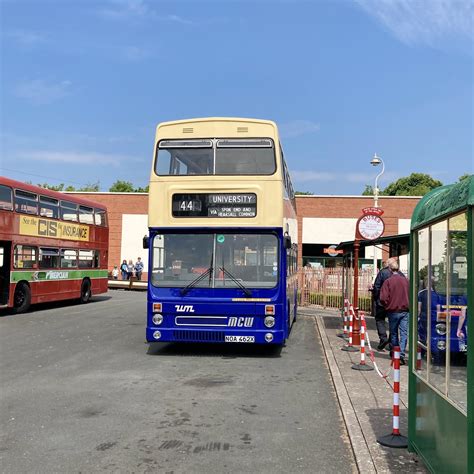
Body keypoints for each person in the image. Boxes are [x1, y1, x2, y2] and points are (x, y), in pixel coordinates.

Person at [380, 258, 409, 365]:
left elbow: (383, 298)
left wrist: (387, 305)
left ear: (390, 269)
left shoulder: (388, 282)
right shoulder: (406, 281)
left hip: (393, 311)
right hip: (405, 310)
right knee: (404, 333)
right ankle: (401, 354)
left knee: (394, 333)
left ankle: (395, 353)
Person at [372, 259, 394, 350]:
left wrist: (376, 298)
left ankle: (383, 338)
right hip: (393, 302)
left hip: (381, 302)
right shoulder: (399, 274)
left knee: (380, 319)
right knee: (393, 322)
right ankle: (392, 342)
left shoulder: (382, 273)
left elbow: (376, 286)